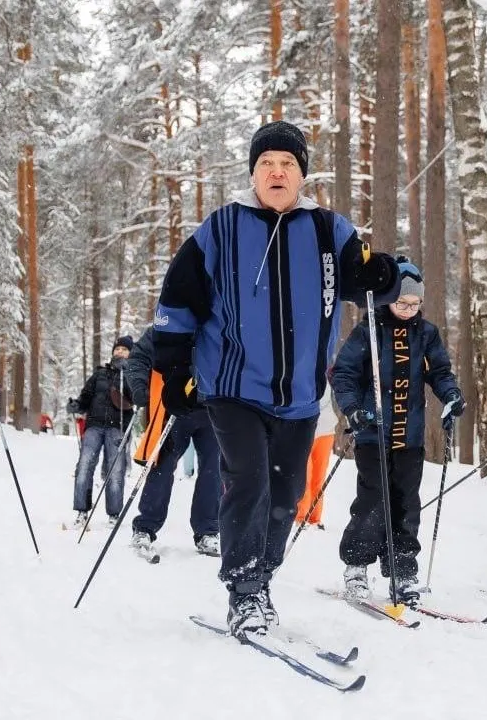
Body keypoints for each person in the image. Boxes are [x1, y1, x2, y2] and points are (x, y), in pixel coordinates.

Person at [153, 120, 401, 637]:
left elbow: (362, 281)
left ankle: (261, 581)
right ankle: (242, 591)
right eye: (267, 163)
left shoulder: (330, 230)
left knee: (287, 497)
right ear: (253, 172)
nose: (277, 171)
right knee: (249, 482)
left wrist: (381, 274)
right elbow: (178, 301)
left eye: (287, 163)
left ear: (302, 174)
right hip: (232, 386)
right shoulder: (220, 229)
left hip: (301, 396)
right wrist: (175, 370)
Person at [331, 258, 463, 605]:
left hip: (410, 436)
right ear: (387, 299)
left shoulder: (427, 333)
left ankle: (403, 569)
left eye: (415, 304)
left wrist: (450, 396)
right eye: (402, 302)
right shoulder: (369, 332)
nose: (408, 309)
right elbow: (342, 376)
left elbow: (440, 372)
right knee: (373, 500)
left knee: (407, 503)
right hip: (372, 433)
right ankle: (357, 567)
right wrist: (353, 409)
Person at [126, 326, 222, 558]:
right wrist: (140, 386)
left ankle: (208, 531)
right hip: (174, 405)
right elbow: (138, 357)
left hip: (215, 407)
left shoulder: (222, 322)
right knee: (162, 466)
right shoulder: (169, 323)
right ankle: (145, 527)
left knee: (215, 470)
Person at [67, 337, 136, 527]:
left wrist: (127, 375)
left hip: (117, 427)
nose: (120, 352)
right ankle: (82, 511)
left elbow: (137, 398)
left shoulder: (132, 374)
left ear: (131, 353)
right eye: (118, 348)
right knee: (84, 465)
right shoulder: (100, 374)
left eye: (124, 349)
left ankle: (113, 514)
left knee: (115, 470)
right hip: (94, 426)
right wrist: (77, 405)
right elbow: (85, 397)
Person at [294, 388, 339, 530]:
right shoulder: (300, 372)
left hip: (326, 431)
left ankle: (315, 518)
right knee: (305, 477)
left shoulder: (325, 373)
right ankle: (301, 518)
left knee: (319, 478)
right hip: (304, 431)